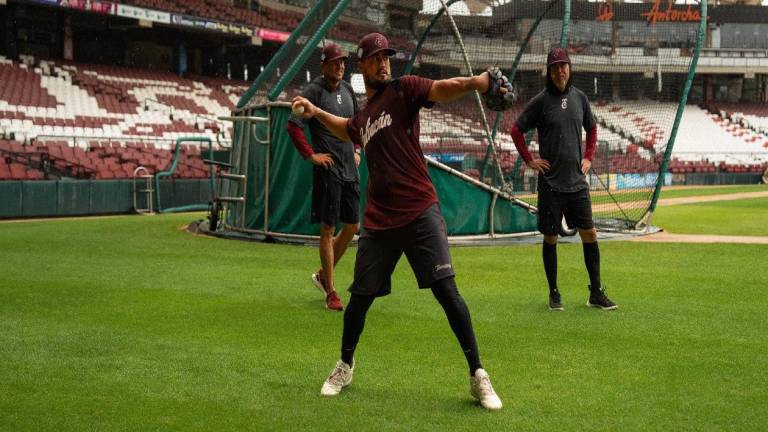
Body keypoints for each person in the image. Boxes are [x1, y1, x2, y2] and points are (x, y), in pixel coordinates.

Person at [292, 32, 504, 410]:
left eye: (386, 56)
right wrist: (315, 112)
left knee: (448, 293)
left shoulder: (405, 89)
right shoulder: (365, 114)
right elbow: (347, 129)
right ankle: (344, 365)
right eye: (375, 58)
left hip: (420, 209)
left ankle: (478, 374)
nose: (383, 62)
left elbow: (442, 87)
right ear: (363, 66)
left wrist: (476, 82)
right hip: (380, 220)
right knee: (359, 300)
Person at [509, 47, 617, 311]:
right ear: (549, 71)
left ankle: (595, 293)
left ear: (570, 68)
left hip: (577, 182)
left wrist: (589, 157)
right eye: (555, 67)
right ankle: (554, 293)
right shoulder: (541, 101)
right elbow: (516, 130)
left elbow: (592, 129)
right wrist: (529, 160)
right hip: (551, 183)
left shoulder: (580, 98)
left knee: (590, 233)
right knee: (551, 237)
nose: (560, 71)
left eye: (564, 66)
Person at [286, 43, 361, 312]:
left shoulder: (349, 90)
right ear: (324, 66)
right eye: (334, 62)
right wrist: (311, 156)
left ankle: (321, 275)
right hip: (328, 170)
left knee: (352, 226)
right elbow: (293, 126)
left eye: (342, 62)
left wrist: (357, 148)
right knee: (328, 230)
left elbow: (356, 125)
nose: (340, 66)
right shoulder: (313, 92)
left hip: (349, 168)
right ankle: (330, 290)